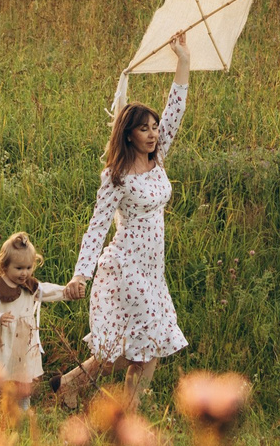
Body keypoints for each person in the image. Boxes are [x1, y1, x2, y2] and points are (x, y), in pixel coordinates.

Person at [58, 29, 191, 406]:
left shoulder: (157, 158)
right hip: (127, 266)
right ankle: (126, 418)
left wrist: (183, 61)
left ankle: (70, 384)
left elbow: (175, 110)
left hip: (152, 269)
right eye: (143, 128)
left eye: (154, 128)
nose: (152, 134)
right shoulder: (116, 177)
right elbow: (97, 226)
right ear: (128, 134)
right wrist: (81, 274)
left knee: (125, 353)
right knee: (143, 351)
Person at [0, 231, 68, 399]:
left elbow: (47, 290)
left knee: (23, 376)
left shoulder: (30, 285)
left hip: (22, 339)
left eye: (28, 268)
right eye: (19, 268)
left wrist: (67, 291)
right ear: (4, 266)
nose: (24, 273)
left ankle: (23, 405)